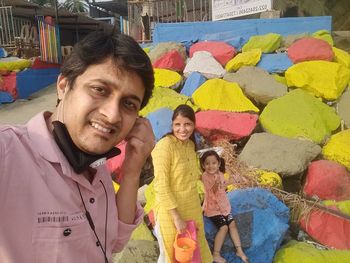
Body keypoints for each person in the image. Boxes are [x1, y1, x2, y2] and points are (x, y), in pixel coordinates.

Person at [0, 31, 155, 263]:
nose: (112, 116)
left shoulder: (96, 165)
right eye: (100, 90)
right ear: (63, 86)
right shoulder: (8, 153)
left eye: (128, 104)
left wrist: (132, 170)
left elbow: (114, 241)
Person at [152, 104, 212, 263]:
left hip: (192, 208)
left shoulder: (191, 145)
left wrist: (206, 195)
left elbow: (193, 177)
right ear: (172, 125)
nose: (182, 129)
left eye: (187, 124)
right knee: (171, 256)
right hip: (170, 212)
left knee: (196, 253)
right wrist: (176, 217)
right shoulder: (165, 146)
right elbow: (161, 185)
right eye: (177, 125)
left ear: (194, 125)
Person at [200, 150, 249, 263]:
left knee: (232, 224)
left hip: (224, 206)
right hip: (213, 209)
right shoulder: (205, 176)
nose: (210, 166)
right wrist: (217, 181)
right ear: (203, 165)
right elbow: (212, 190)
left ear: (218, 164)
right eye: (207, 163)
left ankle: (239, 250)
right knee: (224, 227)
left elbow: (224, 185)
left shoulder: (220, 175)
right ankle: (216, 254)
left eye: (213, 163)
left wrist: (235, 179)